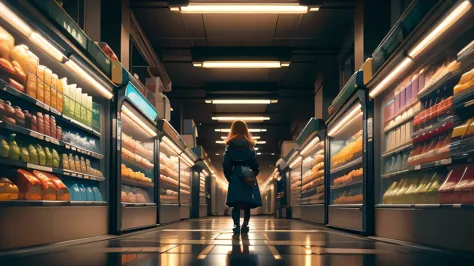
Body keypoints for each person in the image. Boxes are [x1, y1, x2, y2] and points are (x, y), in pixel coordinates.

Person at [222, 120, 262, 234]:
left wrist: (229, 176)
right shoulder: (250, 146)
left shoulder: (229, 146)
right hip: (247, 173)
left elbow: (226, 163)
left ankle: (236, 225)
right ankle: (245, 224)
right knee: (247, 203)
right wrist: (253, 173)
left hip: (235, 175)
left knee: (236, 203)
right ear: (245, 129)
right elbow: (255, 162)